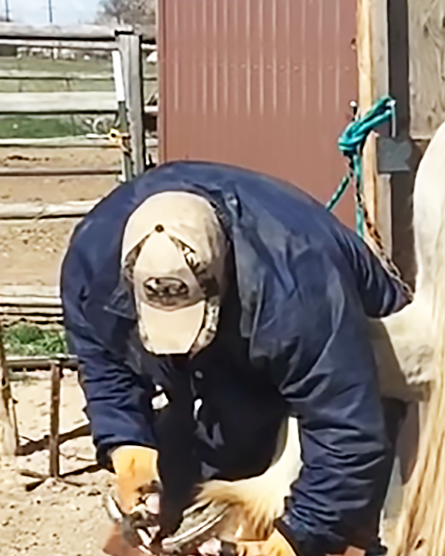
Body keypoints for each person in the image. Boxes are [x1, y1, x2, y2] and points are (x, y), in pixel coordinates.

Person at [60, 160, 409, 556]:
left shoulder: (299, 289)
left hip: (353, 354)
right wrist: (131, 454)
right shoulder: (92, 266)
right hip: (237, 351)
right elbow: (106, 368)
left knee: (345, 523)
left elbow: (346, 428)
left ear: (220, 277)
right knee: (165, 513)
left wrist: (295, 538)